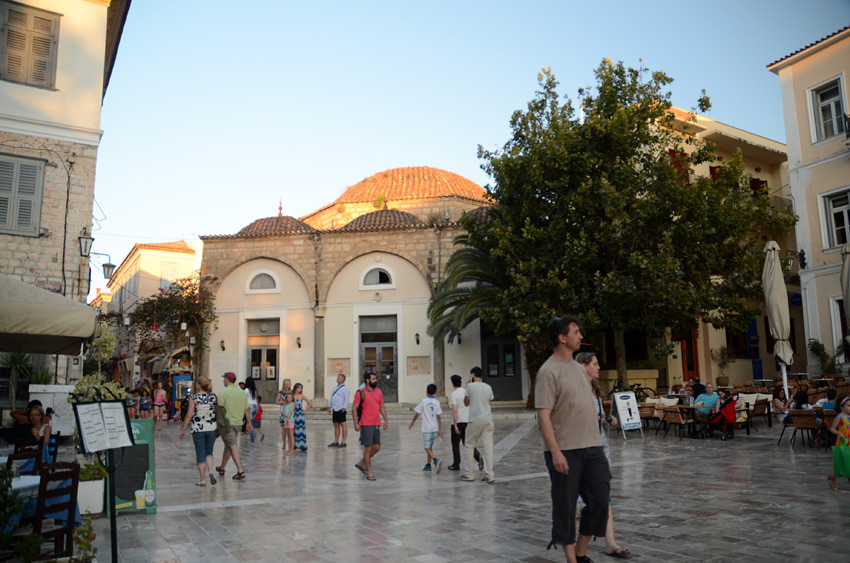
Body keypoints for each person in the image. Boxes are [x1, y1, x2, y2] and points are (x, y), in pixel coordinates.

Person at [535, 315, 609, 563]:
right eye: (576, 332)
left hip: (593, 447)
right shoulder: (547, 372)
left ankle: (581, 551)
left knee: (600, 500)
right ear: (562, 337)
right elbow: (543, 415)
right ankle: (572, 560)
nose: (581, 336)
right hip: (565, 450)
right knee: (565, 507)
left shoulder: (580, 368)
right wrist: (555, 452)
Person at [576, 352, 629, 559]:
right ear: (583, 365)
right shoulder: (572, 391)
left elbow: (598, 420)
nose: (599, 367)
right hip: (579, 450)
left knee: (604, 497)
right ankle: (575, 551)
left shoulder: (596, 393)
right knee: (575, 500)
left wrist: (607, 421)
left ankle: (610, 542)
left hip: (600, 449)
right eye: (595, 364)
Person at [178, 376, 218, 486]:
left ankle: (202, 480)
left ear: (199, 385)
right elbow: (219, 410)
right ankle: (210, 471)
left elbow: (189, 415)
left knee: (200, 454)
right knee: (209, 452)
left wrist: (183, 430)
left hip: (198, 428)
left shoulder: (194, 397)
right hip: (212, 428)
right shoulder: (213, 396)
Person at [461, 366, 495, 483]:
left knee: (469, 445)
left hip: (475, 420)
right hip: (488, 420)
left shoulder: (470, 386)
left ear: (473, 375)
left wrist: (468, 386)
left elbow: (466, 403)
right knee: (488, 448)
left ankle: (469, 473)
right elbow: (489, 402)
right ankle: (489, 475)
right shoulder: (488, 387)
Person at [215, 372, 252, 480]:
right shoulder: (242, 393)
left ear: (227, 380)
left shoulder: (223, 392)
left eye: (224, 379)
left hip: (227, 424)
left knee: (233, 446)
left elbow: (219, 407)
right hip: (238, 424)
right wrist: (249, 422)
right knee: (229, 446)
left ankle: (240, 470)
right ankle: (222, 468)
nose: (223, 381)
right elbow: (246, 409)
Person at [353, 372, 389, 481]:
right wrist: (356, 423)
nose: (375, 380)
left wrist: (385, 420)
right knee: (368, 448)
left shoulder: (378, 392)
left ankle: (362, 462)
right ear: (367, 380)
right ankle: (369, 471)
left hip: (376, 423)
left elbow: (381, 407)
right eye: (373, 379)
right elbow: (354, 408)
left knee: (377, 447)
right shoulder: (360, 393)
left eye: (376, 378)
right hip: (366, 423)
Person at [409, 383, 443, 473]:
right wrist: (440, 430)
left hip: (427, 428)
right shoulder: (437, 402)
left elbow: (417, 413)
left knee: (426, 448)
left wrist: (412, 423)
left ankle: (436, 460)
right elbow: (438, 417)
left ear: (427, 391)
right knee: (430, 446)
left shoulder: (423, 401)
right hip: (434, 428)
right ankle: (428, 465)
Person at [448, 374, 479, 471]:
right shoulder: (466, 391)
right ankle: (478, 456)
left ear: (452, 384)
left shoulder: (454, 394)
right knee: (468, 443)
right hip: (467, 421)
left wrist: (455, 424)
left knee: (455, 444)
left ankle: (456, 464)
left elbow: (455, 410)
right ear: (461, 382)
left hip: (458, 421)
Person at [827, 395, 850, 491]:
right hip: (843, 441)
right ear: (841, 407)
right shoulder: (839, 417)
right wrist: (838, 433)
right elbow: (832, 428)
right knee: (841, 462)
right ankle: (832, 479)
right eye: (848, 405)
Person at [328, 374, 351, 447]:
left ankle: (343, 441)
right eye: (337, 377)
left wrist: (344, 407)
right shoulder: (335, 388)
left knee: (343, 424)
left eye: (338, 378)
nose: (337, 379)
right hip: (335, 408)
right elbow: (332, 397)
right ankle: (336, 441)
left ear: (343, 379)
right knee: (336, 424)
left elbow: (346, 399)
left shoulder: (346, 389)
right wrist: (330, 406)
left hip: (341, 409)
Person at [291, 383, 313, 452]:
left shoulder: (302, 396)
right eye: (298, 388)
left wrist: (305, 409)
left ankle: (300, 446)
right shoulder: (292, 396)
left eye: (301, 388)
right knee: (294, 430)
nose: (300, 389)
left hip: (300, 415)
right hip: (293, 414)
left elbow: (310, 403)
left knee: (300, 430)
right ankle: (294, 445)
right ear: (295, 388)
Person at [244, 378, 259, 443]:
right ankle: (252, 438)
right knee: (252, 422)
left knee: (250, 423)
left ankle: (252, 439)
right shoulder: (255, 390)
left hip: (249, 406)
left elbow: (243, 398)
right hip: (255, 406)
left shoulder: (246, 390)